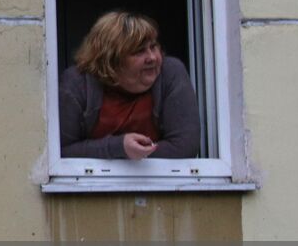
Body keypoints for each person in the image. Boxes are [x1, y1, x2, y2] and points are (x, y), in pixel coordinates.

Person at [59, 10, 200, 160]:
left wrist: (130, 154)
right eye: (139, 51)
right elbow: (61, 151)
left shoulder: (170, 73)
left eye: (153, 47)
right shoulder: (78, 83)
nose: (152, 57)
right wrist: (119, 147)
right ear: (110, 60)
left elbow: (185, 146)